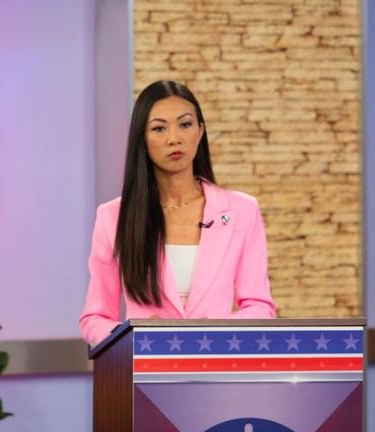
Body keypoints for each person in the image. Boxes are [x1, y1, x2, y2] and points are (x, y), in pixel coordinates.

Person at [79, 80, 276, 346]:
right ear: (143, 139)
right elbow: (95, 318)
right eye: (159, 128)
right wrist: (137, 335)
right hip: (145, 374)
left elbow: (260, 307)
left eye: (185, 124)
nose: (175, 138)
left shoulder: (242, 210)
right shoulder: (113, 217)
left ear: (200, 131)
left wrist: (220, 331)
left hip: (217, 370)